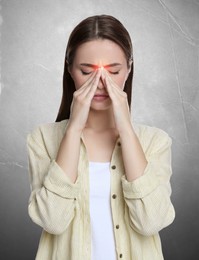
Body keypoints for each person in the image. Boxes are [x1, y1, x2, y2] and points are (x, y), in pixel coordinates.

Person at [27, 15, 175, 260]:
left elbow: (151, 223)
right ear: (70, 69)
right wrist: (74, 129)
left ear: (128, 69)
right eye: (87, 72)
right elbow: (52, 221)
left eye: (113, 71)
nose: (100, 84)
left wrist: (126, 129)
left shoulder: (155, 142)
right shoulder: (42, 139)